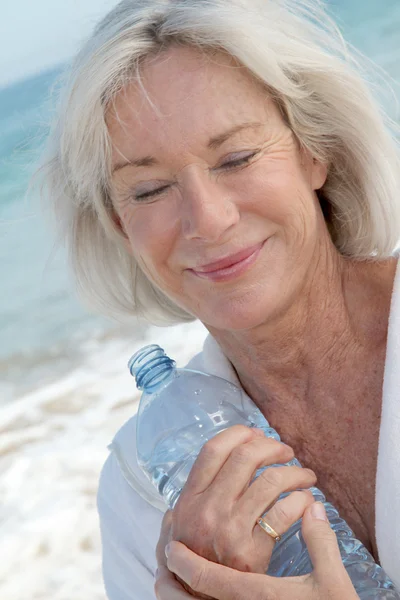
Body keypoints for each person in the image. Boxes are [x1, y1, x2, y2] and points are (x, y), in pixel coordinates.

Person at [39, 0, 400, 598]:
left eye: (237, 158)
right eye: (150, 189)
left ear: (315, 149)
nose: (207, 219)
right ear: (118, 224)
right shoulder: (139, 487)